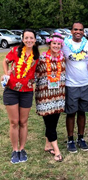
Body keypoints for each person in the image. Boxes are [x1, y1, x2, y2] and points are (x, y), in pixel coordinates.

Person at [2, 29, 40, 164]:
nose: (29, 40)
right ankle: (15, 150)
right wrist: (6, 74)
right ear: (23, 39)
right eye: (26, 38)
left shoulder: (37, 55)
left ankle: (22, 149)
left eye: (31, 38)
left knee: (23, 122)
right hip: (11, 90)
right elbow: (5, 61)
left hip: (27, 91)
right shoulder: (15, 51)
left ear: (35, 40)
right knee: (14, 122)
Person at [35, 33, 65, 162]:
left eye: (59, 44)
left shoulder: (63, 58)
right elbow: (33, 73)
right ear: (49, 44)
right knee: (50, 124)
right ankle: (57, 150)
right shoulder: (41, 58)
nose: (56, 46)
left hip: (58, 95)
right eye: (54, 43)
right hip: (45, 96)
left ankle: (48, 145)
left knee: (54, 121)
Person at [62, 22, 88, 153]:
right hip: (71, 84)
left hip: (86, 83)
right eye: (75, 29)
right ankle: (70, 139)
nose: (78, 32)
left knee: (82, 112)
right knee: (71, 113)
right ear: (71, 31)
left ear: (83, 32)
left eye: (80, 30)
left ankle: (81, 138)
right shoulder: (64, 44)